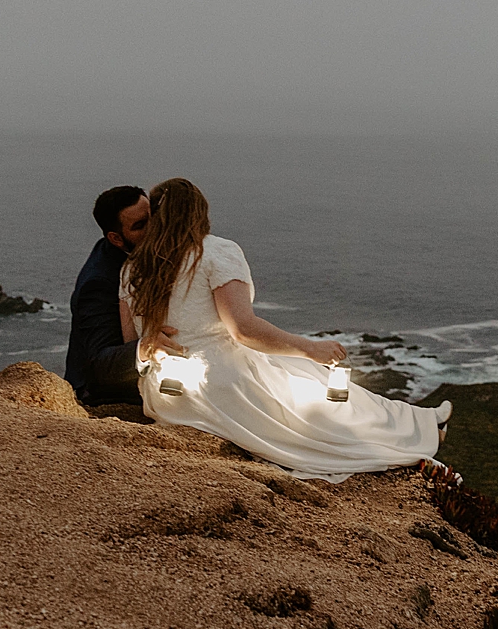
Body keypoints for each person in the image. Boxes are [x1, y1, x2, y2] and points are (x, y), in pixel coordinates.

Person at [120, 178, 449, 482]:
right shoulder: (216, 252)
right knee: (315, 385)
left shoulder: (131, 268)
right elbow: (243, 330)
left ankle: (424, 422)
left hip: (165, 396)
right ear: (200, 212)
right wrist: (310, 347)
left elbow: (129, 343)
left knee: (298, 372)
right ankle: (421, 431)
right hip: (221, 385)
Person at [63, 185, 180, 406]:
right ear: (116, 239)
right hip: (101, 395)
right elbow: (100, 364)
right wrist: (145, 347)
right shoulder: (99, 283)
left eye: (152, 217)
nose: (153, 228)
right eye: (140, 226)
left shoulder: (144, 252)